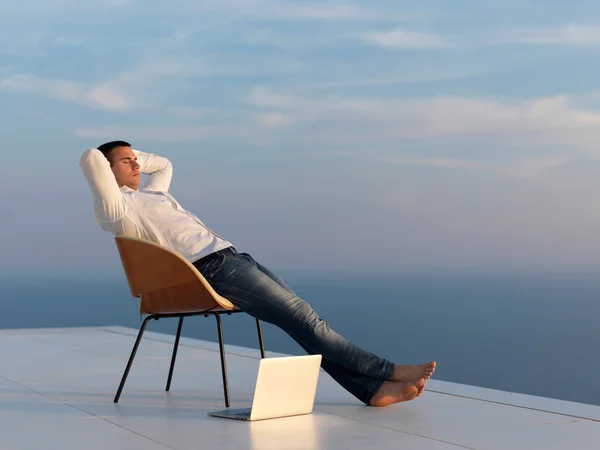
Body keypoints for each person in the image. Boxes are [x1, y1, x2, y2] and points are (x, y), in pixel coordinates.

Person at [80, 141, 436, 407]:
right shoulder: (117, 210)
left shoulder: (153, 194)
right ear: (107, 172)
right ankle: (387, 371)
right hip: (211, 271)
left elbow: (165, 164)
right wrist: (110, 154)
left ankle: (371, 391)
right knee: (304, 318)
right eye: (126, 162)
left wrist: (130, 154)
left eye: (136, 159)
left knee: (302, 320)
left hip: (234, 259)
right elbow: (91, 159)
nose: (137, 165)